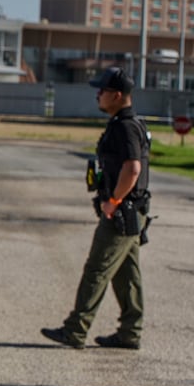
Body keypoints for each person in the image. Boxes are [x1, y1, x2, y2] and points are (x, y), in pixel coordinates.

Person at [42, 67, 150, 350]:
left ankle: (75, 329)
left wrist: (113, 201)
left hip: (121, 211)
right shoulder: (127, 123)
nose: (98, 94)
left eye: (102, 90)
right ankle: (130, 332)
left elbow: (133, 168)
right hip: (131, 210)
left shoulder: (125, 126)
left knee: (97, 270)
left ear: (117, 95)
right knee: (127, 273)